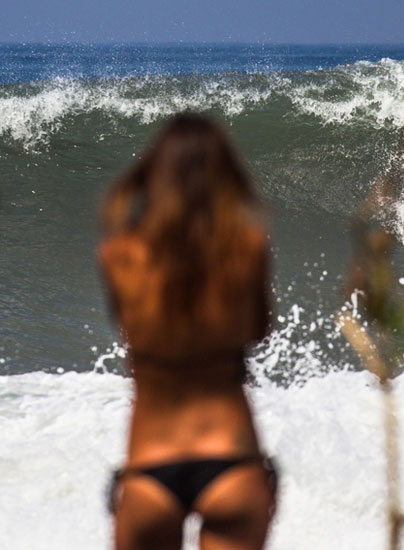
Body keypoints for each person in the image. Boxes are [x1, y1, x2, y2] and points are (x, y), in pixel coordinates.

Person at [98, 113, 276, 550]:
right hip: (232, 459)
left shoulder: (119, 255)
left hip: (149, 464)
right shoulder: (247, 247)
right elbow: (259, 328)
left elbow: (128, 331)